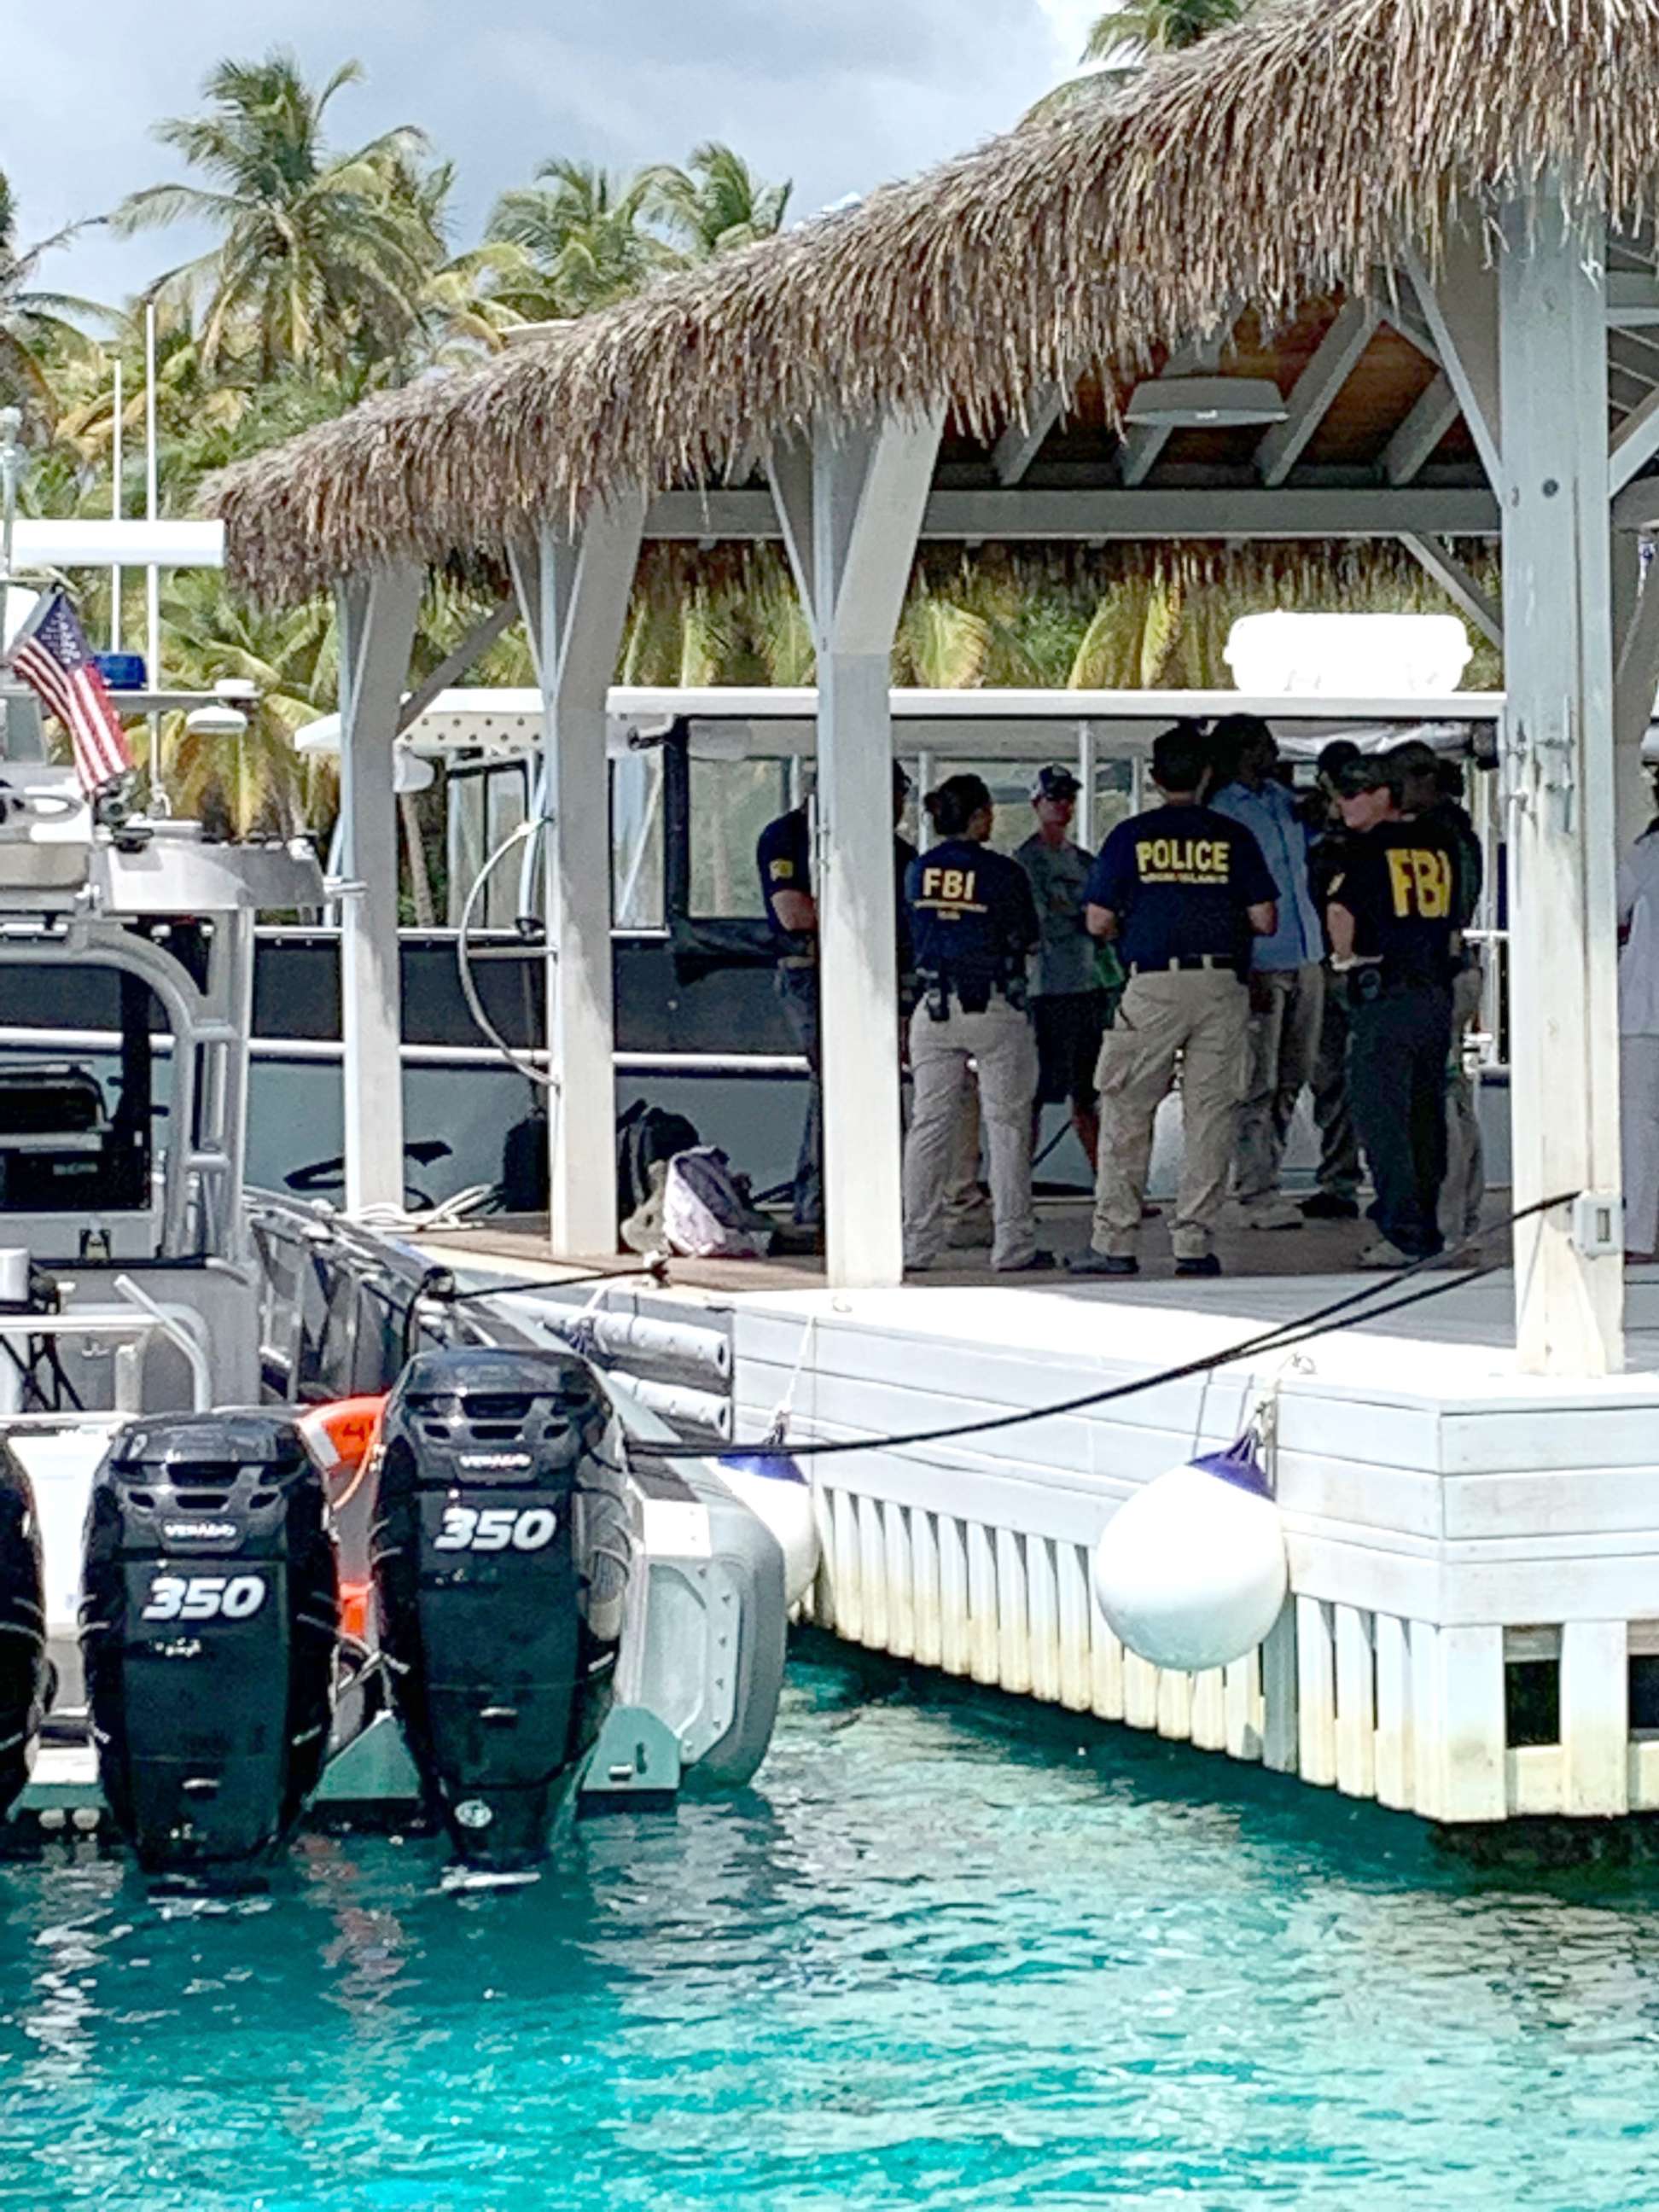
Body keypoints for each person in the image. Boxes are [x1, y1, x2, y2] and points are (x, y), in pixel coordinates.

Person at [1069, 721, 1278, 1279]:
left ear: (1155, 777)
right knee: (1211, 1115)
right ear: (1208, 774)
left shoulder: (1129, 837)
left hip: (1153, 983)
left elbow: (1097, 920)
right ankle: (1194, 1243)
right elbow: (1265, 917)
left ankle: (1114, 1242)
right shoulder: (1233, 837)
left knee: (1127, 1108)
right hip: (1220, 985)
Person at [756, 760, 915, 1231]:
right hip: (810, 971)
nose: (897, 808)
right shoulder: (786, 837)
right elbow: (793, 913)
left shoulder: (894, 851)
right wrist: (868, 914)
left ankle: (877, 1197)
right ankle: (818, 1202)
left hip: (883, 975)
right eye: (893, 796)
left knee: (879, 1084)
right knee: (838, 1080)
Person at [902, 773, 1051, 1273]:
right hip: (991, 1005)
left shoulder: (919, 871)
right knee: (1007, 1127)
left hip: (933, 1006)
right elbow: (1028, 938)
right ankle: (1013, 1245)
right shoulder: (1002, 873)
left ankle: (915, 1244)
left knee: (928, 1127)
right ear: (976, 816)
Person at [1324, 754, 1458, 1267]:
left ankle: (1401, 1229)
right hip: (1433, 990)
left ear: (1386, 795)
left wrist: (1345, 960)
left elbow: (1341, 915)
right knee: (1426, 1117)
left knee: (1383, 1119)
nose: (1345, 803)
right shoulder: (1441, 843)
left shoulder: (1361, 851)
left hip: (1386, 992)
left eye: (1357, 793)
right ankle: (1424, 1224)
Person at [1208, 713, 1326, 1230]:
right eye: (1263, 742)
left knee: (1294, 1076)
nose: (1274, 749)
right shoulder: (1224, 811)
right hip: (1261, 960)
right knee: (1258, 1080)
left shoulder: (1281, 802)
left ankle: (1270, 1172)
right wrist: (1243, 962)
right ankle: (1255, 1190)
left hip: (1307, 954)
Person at [1016, 765, 1104, 1170]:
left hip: (1083, 985)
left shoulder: (1086, 862)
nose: (1063, 807)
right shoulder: (1024, 862)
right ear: (1037, 803)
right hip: (1042, 990)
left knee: (1087, 1094)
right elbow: (1036, 922)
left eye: (1068, 798)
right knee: (1030, 1095)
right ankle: (1016, 1188)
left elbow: (1104, 917)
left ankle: (1110, 1186)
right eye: (1055, 798)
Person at [1301, 738, 1365, 1220]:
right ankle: (1339, 1180)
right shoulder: (1312, 827)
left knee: (1369, 1078)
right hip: (1325, 960)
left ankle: (1351, 1179)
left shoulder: (1375, 834)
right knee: (1330, 1078)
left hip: (1366, 963)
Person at [1618, 779, 1659, 1264]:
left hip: (1646, 1010)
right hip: (1645, 1008)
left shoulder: (1646, 854)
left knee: (1641, 1126)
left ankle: (1636, 1234)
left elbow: (1610, 907)